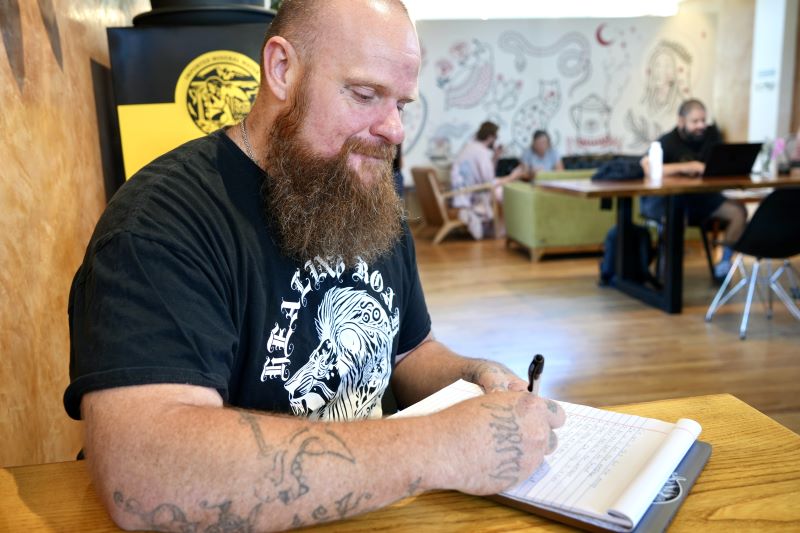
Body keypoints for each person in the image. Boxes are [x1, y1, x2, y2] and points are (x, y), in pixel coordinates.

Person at [63, 1, 565, 531]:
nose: (394, 129)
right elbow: (146, 472)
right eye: (366, 94)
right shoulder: (162, 224)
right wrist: (444, 446)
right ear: (282, 69)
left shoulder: (362, 189)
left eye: (402, 104)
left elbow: (410, 349)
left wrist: (473, 377)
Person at [639, 99, 747, 279]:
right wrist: (688, 167)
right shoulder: (668, 141)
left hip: (703, 200)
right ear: (681, 121)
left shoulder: (712, 136)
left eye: (703, 121)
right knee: (676, 218)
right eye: (695, 121)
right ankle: (668, 277)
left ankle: (724, 263)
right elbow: (647, 167)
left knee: (738, 213)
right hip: (669, 201)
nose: (701, 126)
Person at [450, 121, 525, 239]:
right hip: (472, 195)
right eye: (496, 137)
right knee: (505, 191)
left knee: (502, 187)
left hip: (462, 192)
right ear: (490, 137)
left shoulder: (470, 147)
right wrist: (512, 177)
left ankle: (488, 220)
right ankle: (505, 228)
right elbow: (489, 182)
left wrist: (495, 158)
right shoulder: (482, 152)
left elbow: (487, 178)